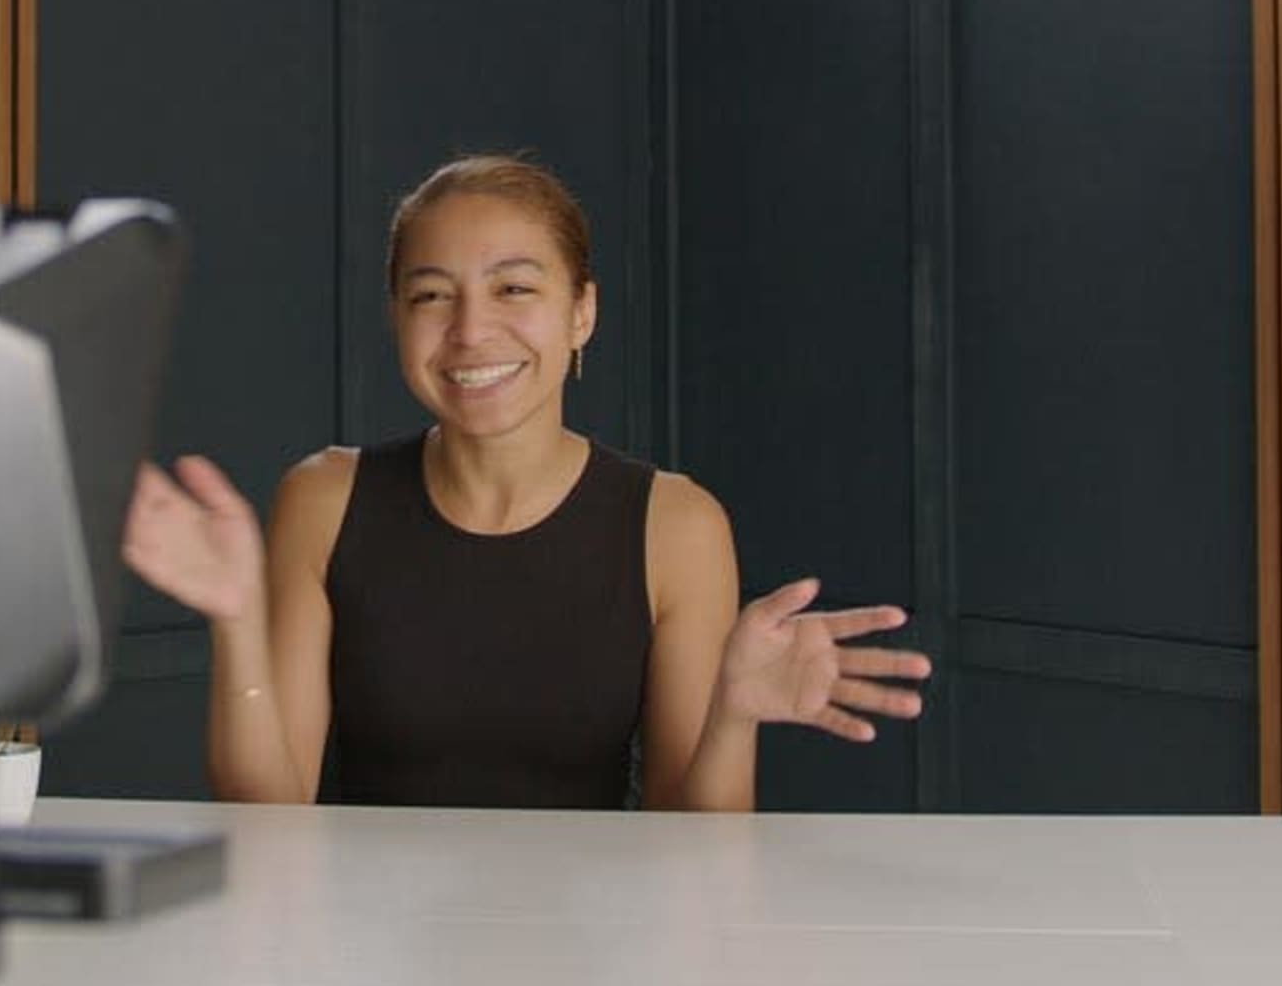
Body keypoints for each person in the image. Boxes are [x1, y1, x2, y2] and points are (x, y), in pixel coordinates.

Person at [123, 154, 929, 814]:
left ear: (582, 313)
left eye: (514, 288)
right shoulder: (324, 498)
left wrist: (733, 721)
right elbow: (268, 814)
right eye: (432, 295)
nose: (471, 331)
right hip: (363, 965)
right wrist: (236, 621)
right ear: (397, 320)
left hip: (596, 957)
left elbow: (693, 852)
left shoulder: (675, 526)